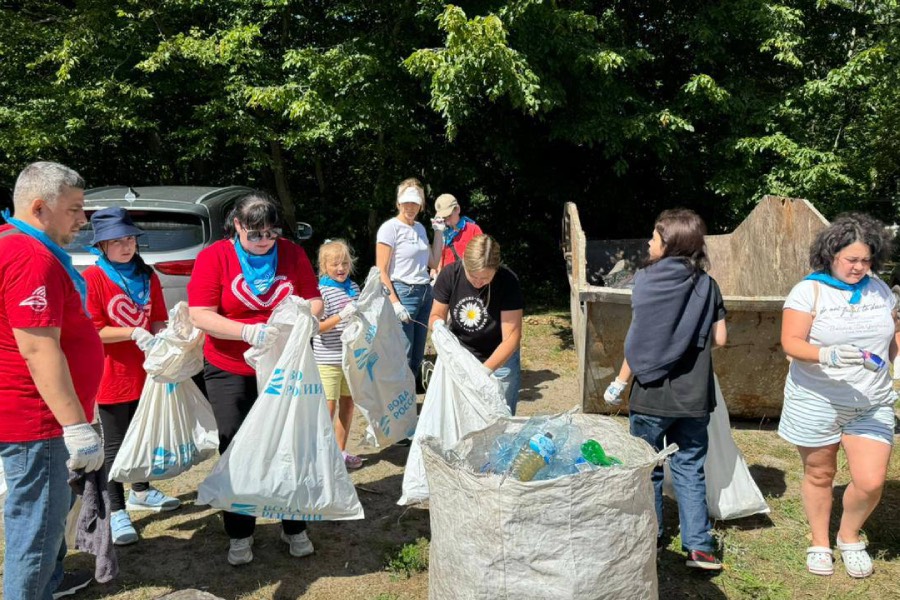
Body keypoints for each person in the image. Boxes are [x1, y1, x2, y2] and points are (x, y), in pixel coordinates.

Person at [187, 191, 323, 566]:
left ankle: (293, 524)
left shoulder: (292, 254)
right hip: (230, 367)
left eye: (270, 233)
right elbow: (200, 313)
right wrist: (246, 332)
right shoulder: (214, 257)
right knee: (236, 446)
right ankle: (240, 532)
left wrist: (305, 318)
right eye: (255, 234)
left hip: (283, 366)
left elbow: (313, 298)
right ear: (236, 226)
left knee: (289, 443)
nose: (264, 241)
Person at [0, 162, 104, 599]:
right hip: (38, 419)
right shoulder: (29, 256)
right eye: (74, 209)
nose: (83, 219)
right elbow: (39, 349)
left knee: (46, 515)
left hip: (38, 413)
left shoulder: (13, 243)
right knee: (37, 524)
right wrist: (76, 426)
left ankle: (52, 582)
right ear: (40, 208)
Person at [604, 208, 727, 571]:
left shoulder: (645, 280)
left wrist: (619, 381)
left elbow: (639, 338)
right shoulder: (708, 285)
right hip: (694, 397)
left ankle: (651, 538)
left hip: (651, 394)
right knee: (689, 467)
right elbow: (720, 338)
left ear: (669, 245)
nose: (648, 243)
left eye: (654, 238)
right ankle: (699, 548)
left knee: (648, 468)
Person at [779, 213, 897, 578]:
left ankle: (848, 536)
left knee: (871, 481)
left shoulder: (879, 289)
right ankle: (819, 542)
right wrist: (826, 354)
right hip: (817, 400)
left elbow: (892, 334)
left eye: (867, 260)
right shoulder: (809, 291)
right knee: (820, 473)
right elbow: (790, 342)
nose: (860, 267)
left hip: (872, 402)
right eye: (852, 260)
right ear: (831, 255)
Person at [83, 207, 180, 546]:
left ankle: (141, 490)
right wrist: (133, 333)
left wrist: (166, 336)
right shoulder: (92, 278)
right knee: (115, 444)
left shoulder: (147, 275)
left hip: (148, 370)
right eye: (116, 241)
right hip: (112, 374)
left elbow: (158, 318)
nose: (125, 246)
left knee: (144, 435)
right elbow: (95, 330)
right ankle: (116, 508)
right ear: (101, 245)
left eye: (129, 239)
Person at [429, 235, 524, 414]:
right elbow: (436, 314)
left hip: (500, 362)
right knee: (462, 415)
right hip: (461, 358)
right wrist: (438, 326)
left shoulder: (508, 281)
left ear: (496, 269)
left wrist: (483, 372)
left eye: (485, 278)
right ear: (464, 262)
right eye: (473, 276)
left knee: (501, 417)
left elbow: (512, 337)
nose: (478, 282)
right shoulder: (450, 274)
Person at [375, 178, 443, 389]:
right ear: (398, 203)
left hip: (424, 293)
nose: (411, 208)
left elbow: (433, 262)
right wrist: (395, 303)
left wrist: (438, 232)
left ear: (421, 205)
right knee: (402, 354)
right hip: (403, 292)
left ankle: (408, 402)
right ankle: (396, 401)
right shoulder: (390, 228)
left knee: (417, 356)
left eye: (415, 203)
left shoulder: (420, 228)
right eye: (407, 203)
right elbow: (381, 271)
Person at [313, 239, 363, 469]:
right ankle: (321, 457)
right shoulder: (321, 292)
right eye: (334, 264)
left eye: (344, 263)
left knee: (348, 404)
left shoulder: (354, 289)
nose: (341, 268)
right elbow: (316, 328)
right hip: (328, 360)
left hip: (349, 359)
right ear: (324, 266)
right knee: (328, 407)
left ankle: (340, 452)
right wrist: (341, 316)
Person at [431, 193, 483, 275]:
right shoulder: (441, 233)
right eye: (443, 218)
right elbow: (436, 261)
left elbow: (481, 259)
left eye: (449, 215)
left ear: (458, 209)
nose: (447, 221)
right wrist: (435, 268)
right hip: (446, 278)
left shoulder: (473, 229)